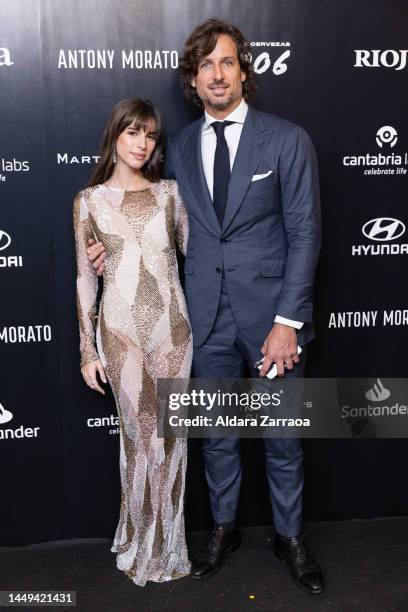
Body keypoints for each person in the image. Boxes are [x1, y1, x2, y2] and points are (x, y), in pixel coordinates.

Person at [87, 19, 324, 595]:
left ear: (244, 69)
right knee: (217, 435)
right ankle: (223, 529)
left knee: (283, 437)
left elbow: (305, 232)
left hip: (272, 322)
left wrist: (287, 322)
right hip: (202, 321)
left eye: (226, 63)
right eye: (204, 67)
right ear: (193, 80)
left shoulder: (287, 140)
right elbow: (160, 228)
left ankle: (290, 538)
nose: (216, 75)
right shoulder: (182, 147)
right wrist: (108, 254)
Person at [73, 98, 192, 587]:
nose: (142, 143)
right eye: (132, 133)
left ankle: (166, 545)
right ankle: (139, 537)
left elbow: (199, 258)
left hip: (174, 332)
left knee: (171, 439)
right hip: (119, 334)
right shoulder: (89, 201)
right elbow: (84, 279)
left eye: (150, 135)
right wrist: (87, 349)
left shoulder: (170, 195)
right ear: (115, 137)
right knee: (137, 439)